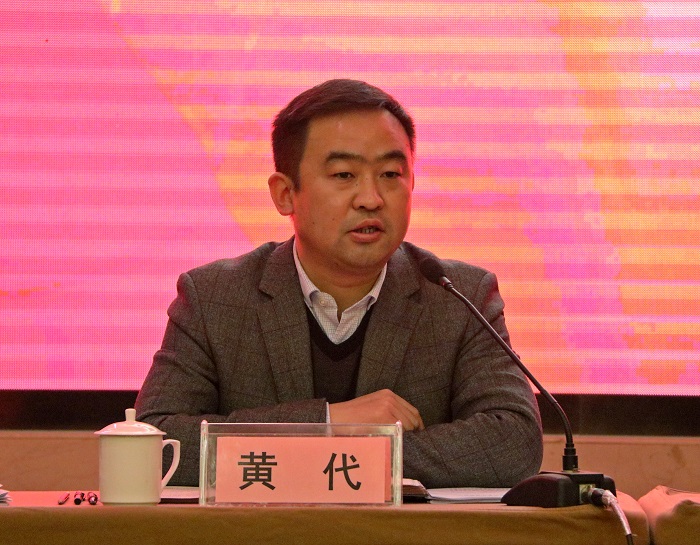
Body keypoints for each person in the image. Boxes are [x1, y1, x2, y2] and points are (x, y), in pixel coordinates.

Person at [135, 79, 543, 488]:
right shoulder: (214, 298)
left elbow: (514, 442)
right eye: (344, 174)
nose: (371, 198)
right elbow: (152, 446)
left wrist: (356, 449)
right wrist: (329, 423)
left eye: (390, 174)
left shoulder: (459, 296)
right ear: (285, 194)